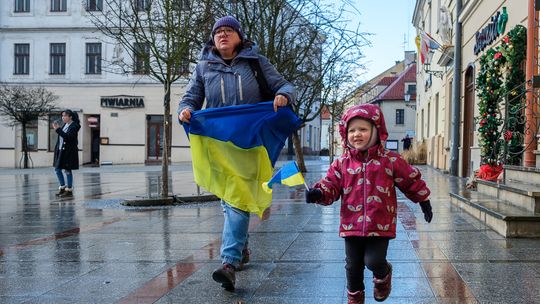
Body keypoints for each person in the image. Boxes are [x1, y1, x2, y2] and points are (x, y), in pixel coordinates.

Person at [177, 16, 296, 291]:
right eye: (218, 32)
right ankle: (241, 249)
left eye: (228, 31)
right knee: (231, 199)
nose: (222, 35)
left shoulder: (255, 63)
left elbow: (286, 85)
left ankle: (228, 263)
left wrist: (284, 97)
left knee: (237, 200)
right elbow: (190, 98)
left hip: (250, 143)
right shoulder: (203, 66)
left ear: (239, 37)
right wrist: (184, 110)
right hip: (218, 144)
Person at [305, 104, 432, 304]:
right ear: (345, 134)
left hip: (380, 223)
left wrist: (423, 199)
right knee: (352, 266)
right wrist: (319, 193)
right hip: (351, 224)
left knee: (373, 261)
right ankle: (355, 298)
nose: (357, 134)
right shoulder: (342, 163)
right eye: (352, 130)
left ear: (376, 131)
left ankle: (383, 274)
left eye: (363, 129)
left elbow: (410, 179)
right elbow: (331, 184)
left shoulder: (390, 160)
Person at [52, 109, 81, 197]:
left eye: (65, 116)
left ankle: (69, 190)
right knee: (57, 169)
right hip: (61, 150)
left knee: (67, 170)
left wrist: (58, 129)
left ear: (70, 117)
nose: (63, 117)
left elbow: (68, 137)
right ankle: (62, 187)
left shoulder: (74, 126)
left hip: (69, 151)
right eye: (62, 116)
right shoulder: (65, 125)